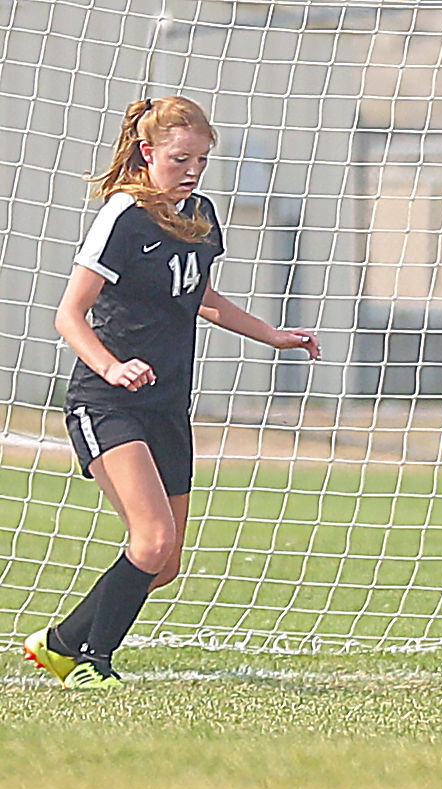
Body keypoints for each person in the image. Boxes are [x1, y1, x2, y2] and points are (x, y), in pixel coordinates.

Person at [21, 96, 321, 689]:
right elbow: (69, 315)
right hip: (105, 403)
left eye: (201, 160)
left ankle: (58, 644)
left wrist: (271, 335)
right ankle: (91, 662)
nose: (192, 170)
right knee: (151, 540)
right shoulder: (123, 215)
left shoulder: (202, 212)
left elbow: (201, 297)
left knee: (163, 564)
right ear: (147, 152)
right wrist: (111, 367)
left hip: (166, 407)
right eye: (180, 158)